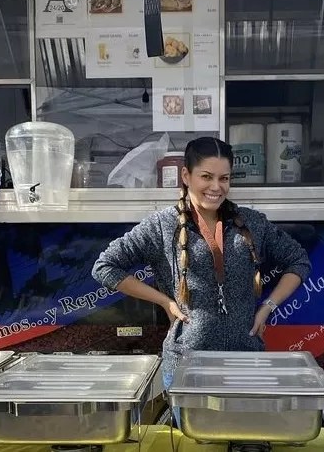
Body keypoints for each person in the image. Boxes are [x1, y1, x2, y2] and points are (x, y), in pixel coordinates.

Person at [91, 136, 311, 426]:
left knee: (243, 438)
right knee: (196, 441)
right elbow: (105, 267)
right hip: (187, 365)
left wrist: (268, 305)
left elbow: (299, 261)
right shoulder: (161, 226)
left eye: (224, 178)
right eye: (206, 177)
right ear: (186, 175)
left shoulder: (253, 223)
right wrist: (165, 301)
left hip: (245, 361)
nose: (216, 187)